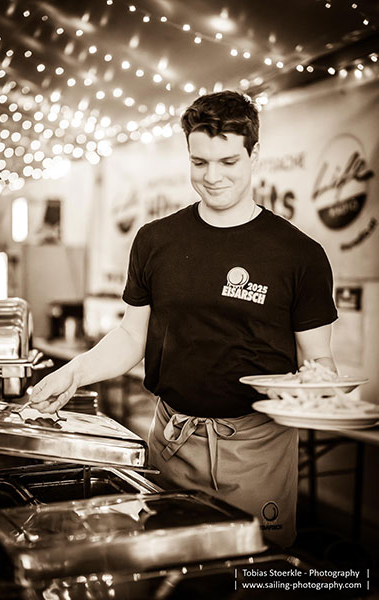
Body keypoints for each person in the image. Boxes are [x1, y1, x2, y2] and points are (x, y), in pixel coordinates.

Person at [30, 90, 338, 548]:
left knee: (250, 571)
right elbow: (132, 335)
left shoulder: (300, 255)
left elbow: (318, 364)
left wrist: (309, 393)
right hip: (171, 442)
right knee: (168, 563)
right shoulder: (155, 240)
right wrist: (73, 372)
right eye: (199, 162)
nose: (212, 177)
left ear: (255, 155)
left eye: (228, 162)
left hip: (257, 449)